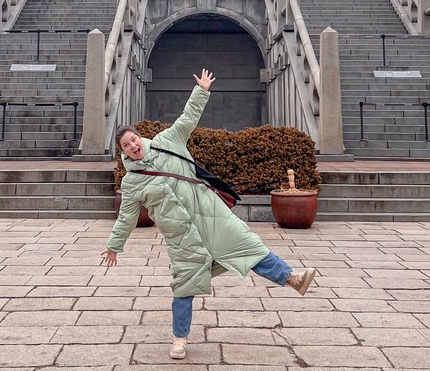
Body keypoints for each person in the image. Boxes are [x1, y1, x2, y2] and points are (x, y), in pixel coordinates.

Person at [102, 68, 316, 360]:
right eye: (126, 145)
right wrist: (114, 246)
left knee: (249, 245)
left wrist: (201, 91)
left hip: (213, 217)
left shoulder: (168, 141)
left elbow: (187, 119)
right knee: (184, 285)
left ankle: (291, 278)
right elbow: (127, 216)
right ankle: (179, 339)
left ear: (141, 137)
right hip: (182, 237)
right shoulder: (132, 181)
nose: (133, 146)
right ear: (122, 152)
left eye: (134, 139)